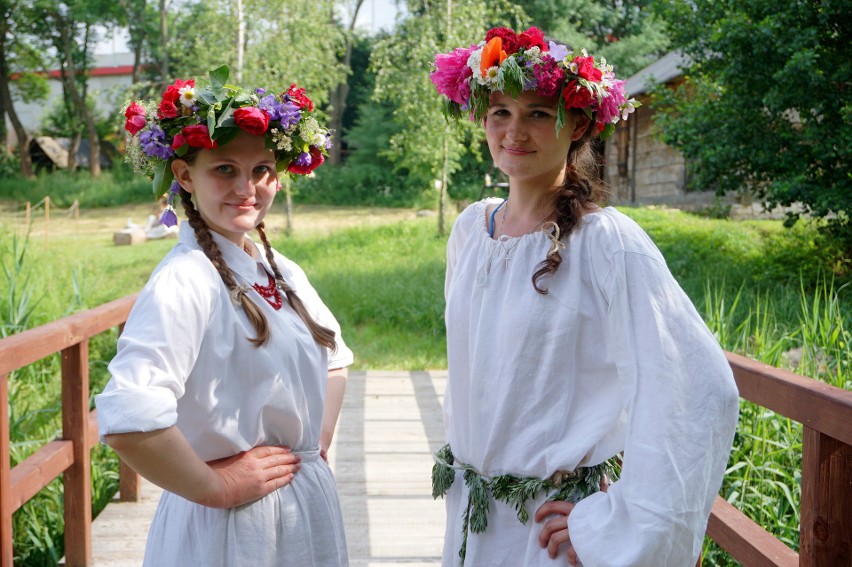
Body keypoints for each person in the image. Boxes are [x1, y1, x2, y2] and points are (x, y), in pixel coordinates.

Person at [429, 27, 740, 566]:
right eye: (500, 111)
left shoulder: (606, 243)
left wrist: (620, 522)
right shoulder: (470, 231)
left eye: (538, 113)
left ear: (575, 123)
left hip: (552, 532)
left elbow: (696, 387)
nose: (514, 131)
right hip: (473, 521)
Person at [95, 66, 352, 566]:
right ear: (185, 176)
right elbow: (129, 419)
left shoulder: (277, 269)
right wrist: (217, 485)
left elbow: (335, 359)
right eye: (225, 169)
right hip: (234, 529)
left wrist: (311, 446)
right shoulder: (186, 279)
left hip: (298, 510)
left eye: (261, 170)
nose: (248, 188)